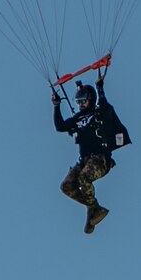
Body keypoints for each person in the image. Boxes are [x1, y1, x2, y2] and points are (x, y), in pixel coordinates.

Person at [51, 75, 128, 235]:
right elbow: (60, 126)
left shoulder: (99, 112)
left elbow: (107, 109)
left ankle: (93, 209)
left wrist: (100, 89)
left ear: (91, 99)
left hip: (100, 160)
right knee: (66, 186)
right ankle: (93, 208)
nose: (80, 104)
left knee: (84, 179)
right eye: (78, 102)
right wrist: (57, 106)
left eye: (83, 101)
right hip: (83, 162)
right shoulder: (77, 118)